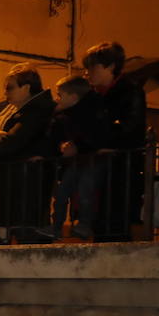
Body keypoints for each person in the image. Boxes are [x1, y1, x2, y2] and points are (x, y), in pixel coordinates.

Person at [0, 63, 57, 244]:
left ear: (27, 87)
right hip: (11, 185)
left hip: (26, 187)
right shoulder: (8, 111)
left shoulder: (36, 111)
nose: (5, 92)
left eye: (10, 88)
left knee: (28, 239)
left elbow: (11, 143)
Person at [83, 41, 148, 241]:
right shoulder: (92, 96)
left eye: (92, 67)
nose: (87, 73)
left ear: (110, 66)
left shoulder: (130, 92)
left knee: (116, 225)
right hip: (97, 169)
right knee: (98, 225)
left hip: (120, 169)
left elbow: (130, 130)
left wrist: (104, 141)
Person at [38, 74, 110, 240]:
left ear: (73, 97)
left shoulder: (90, 113)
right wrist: (63, 145)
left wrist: (77, 146)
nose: (57, 99)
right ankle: (56, 227)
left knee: (86, 189)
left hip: (91, 158)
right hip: (77, 160)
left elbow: (95, 136)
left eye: (60, 94)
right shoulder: (64, 116)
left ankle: (84, 224)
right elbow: (59, 137)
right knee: (62, 193)